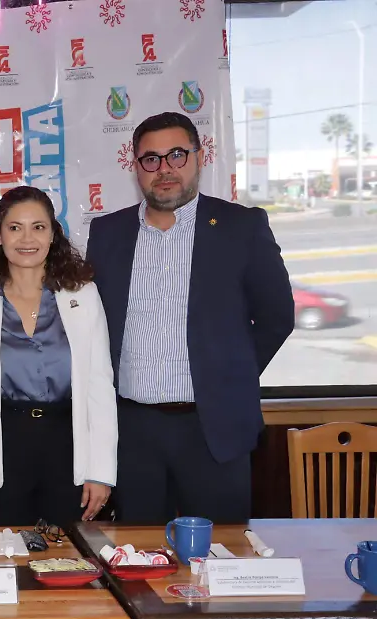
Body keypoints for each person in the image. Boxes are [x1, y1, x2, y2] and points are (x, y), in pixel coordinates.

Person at [85, 112, 294, 526]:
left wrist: (228, 375)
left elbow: (277, 317)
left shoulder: (240, 227)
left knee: (221, 553)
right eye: (151, 159)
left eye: (177, 155)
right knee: (138, 553)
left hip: (213, 427)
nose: (165, 169)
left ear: (199, 157)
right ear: (136, 167)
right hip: (132, 431)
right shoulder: (108, 233)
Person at [0, 185, 117, 532]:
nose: (27, 238)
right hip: (4, 448)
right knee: (5, 554)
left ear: (53, 234)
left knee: (73, 554)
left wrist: (101, 471)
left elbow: (100, 387)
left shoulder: (83, 296)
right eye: (15, 227)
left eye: (38, 227)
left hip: (68, 445)